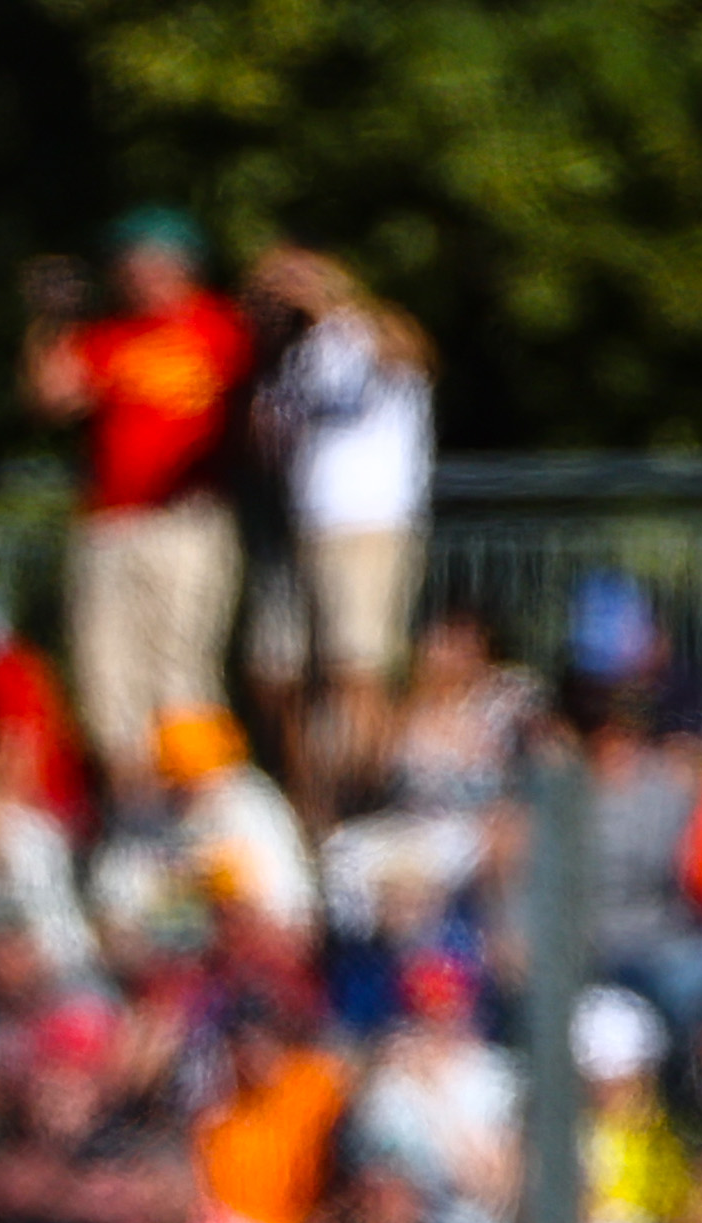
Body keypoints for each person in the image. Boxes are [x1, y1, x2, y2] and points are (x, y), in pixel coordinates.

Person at [27, 207, 251, 798]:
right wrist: (52, 317)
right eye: (132, 265)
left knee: (180, 665)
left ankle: (206, 800)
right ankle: (134, 807)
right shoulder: (108, 336)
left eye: (155, 263)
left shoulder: (220, 327)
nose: (142, 277)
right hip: (109, 522)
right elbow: (51, 397)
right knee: (107, 675)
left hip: (188, 520)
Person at [246, 247, 430, 820]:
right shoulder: (295, 357)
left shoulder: (375, 334)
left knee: (358, 669)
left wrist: (329, 300)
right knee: (276, 672)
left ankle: (370, 804)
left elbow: (409, 355)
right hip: (306, 528)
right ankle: (311, 810)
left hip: (367, 525)